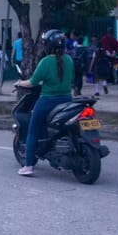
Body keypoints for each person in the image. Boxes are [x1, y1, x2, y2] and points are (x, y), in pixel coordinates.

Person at [14, 30, 74, 176]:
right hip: (67, 100)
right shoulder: (69, 60)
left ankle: (28, 166)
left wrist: (20, 82)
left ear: (48, 46)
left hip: (47, 101)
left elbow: (32, 82)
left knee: (32, 130)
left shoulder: (45, 62)